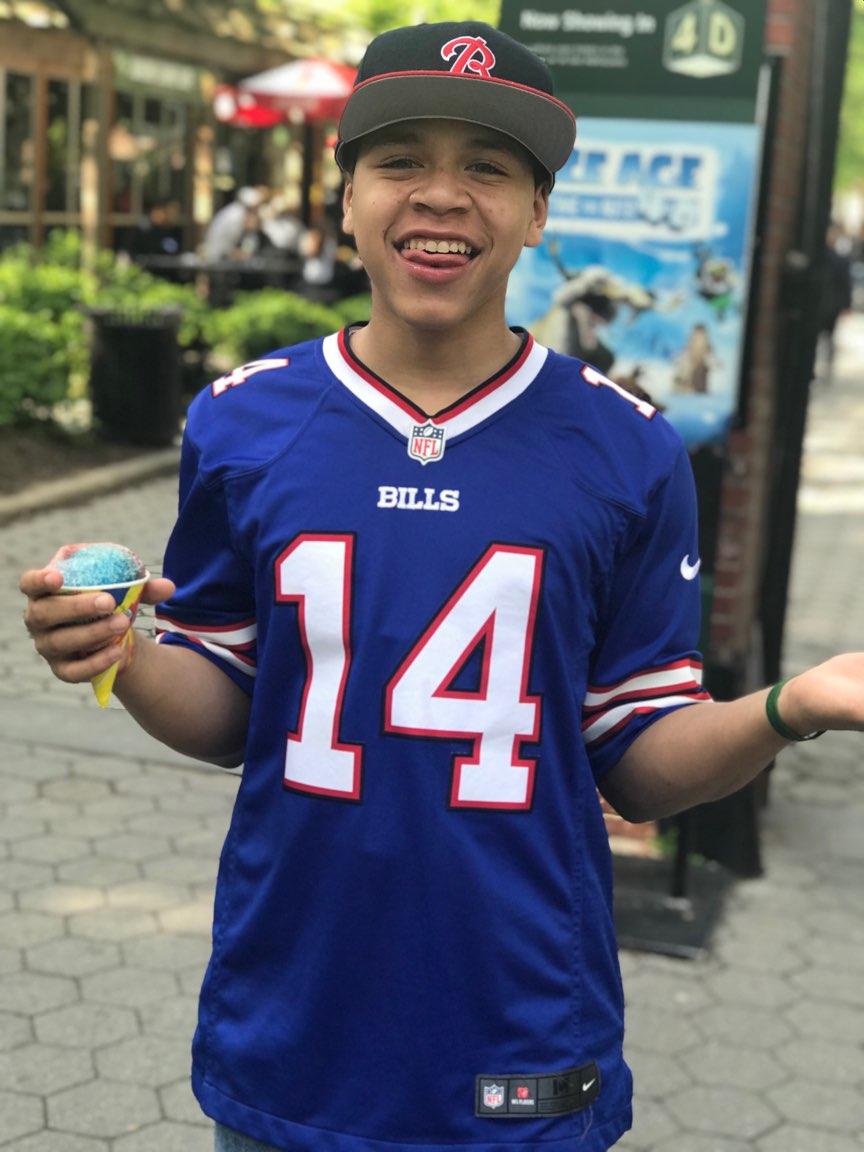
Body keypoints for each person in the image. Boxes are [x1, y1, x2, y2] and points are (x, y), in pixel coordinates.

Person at [19, 21, 864, 1152]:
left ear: (538, 212)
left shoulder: (628, 449)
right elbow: (227, 706)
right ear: (347, 196)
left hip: (521, 1017)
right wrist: (121, 654)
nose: (442, 195)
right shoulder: (240, 419)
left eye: (490, 167)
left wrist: (790, 708)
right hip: (295, 1013)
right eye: (401, 158)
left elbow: (638, 755)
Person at [816, 221, 853, 384]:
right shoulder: (820, 257)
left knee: (829, 338)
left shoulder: (840, 259)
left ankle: (827, 369)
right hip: (820, 304)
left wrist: (846, 305)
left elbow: (846, 284)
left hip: (832, 305)